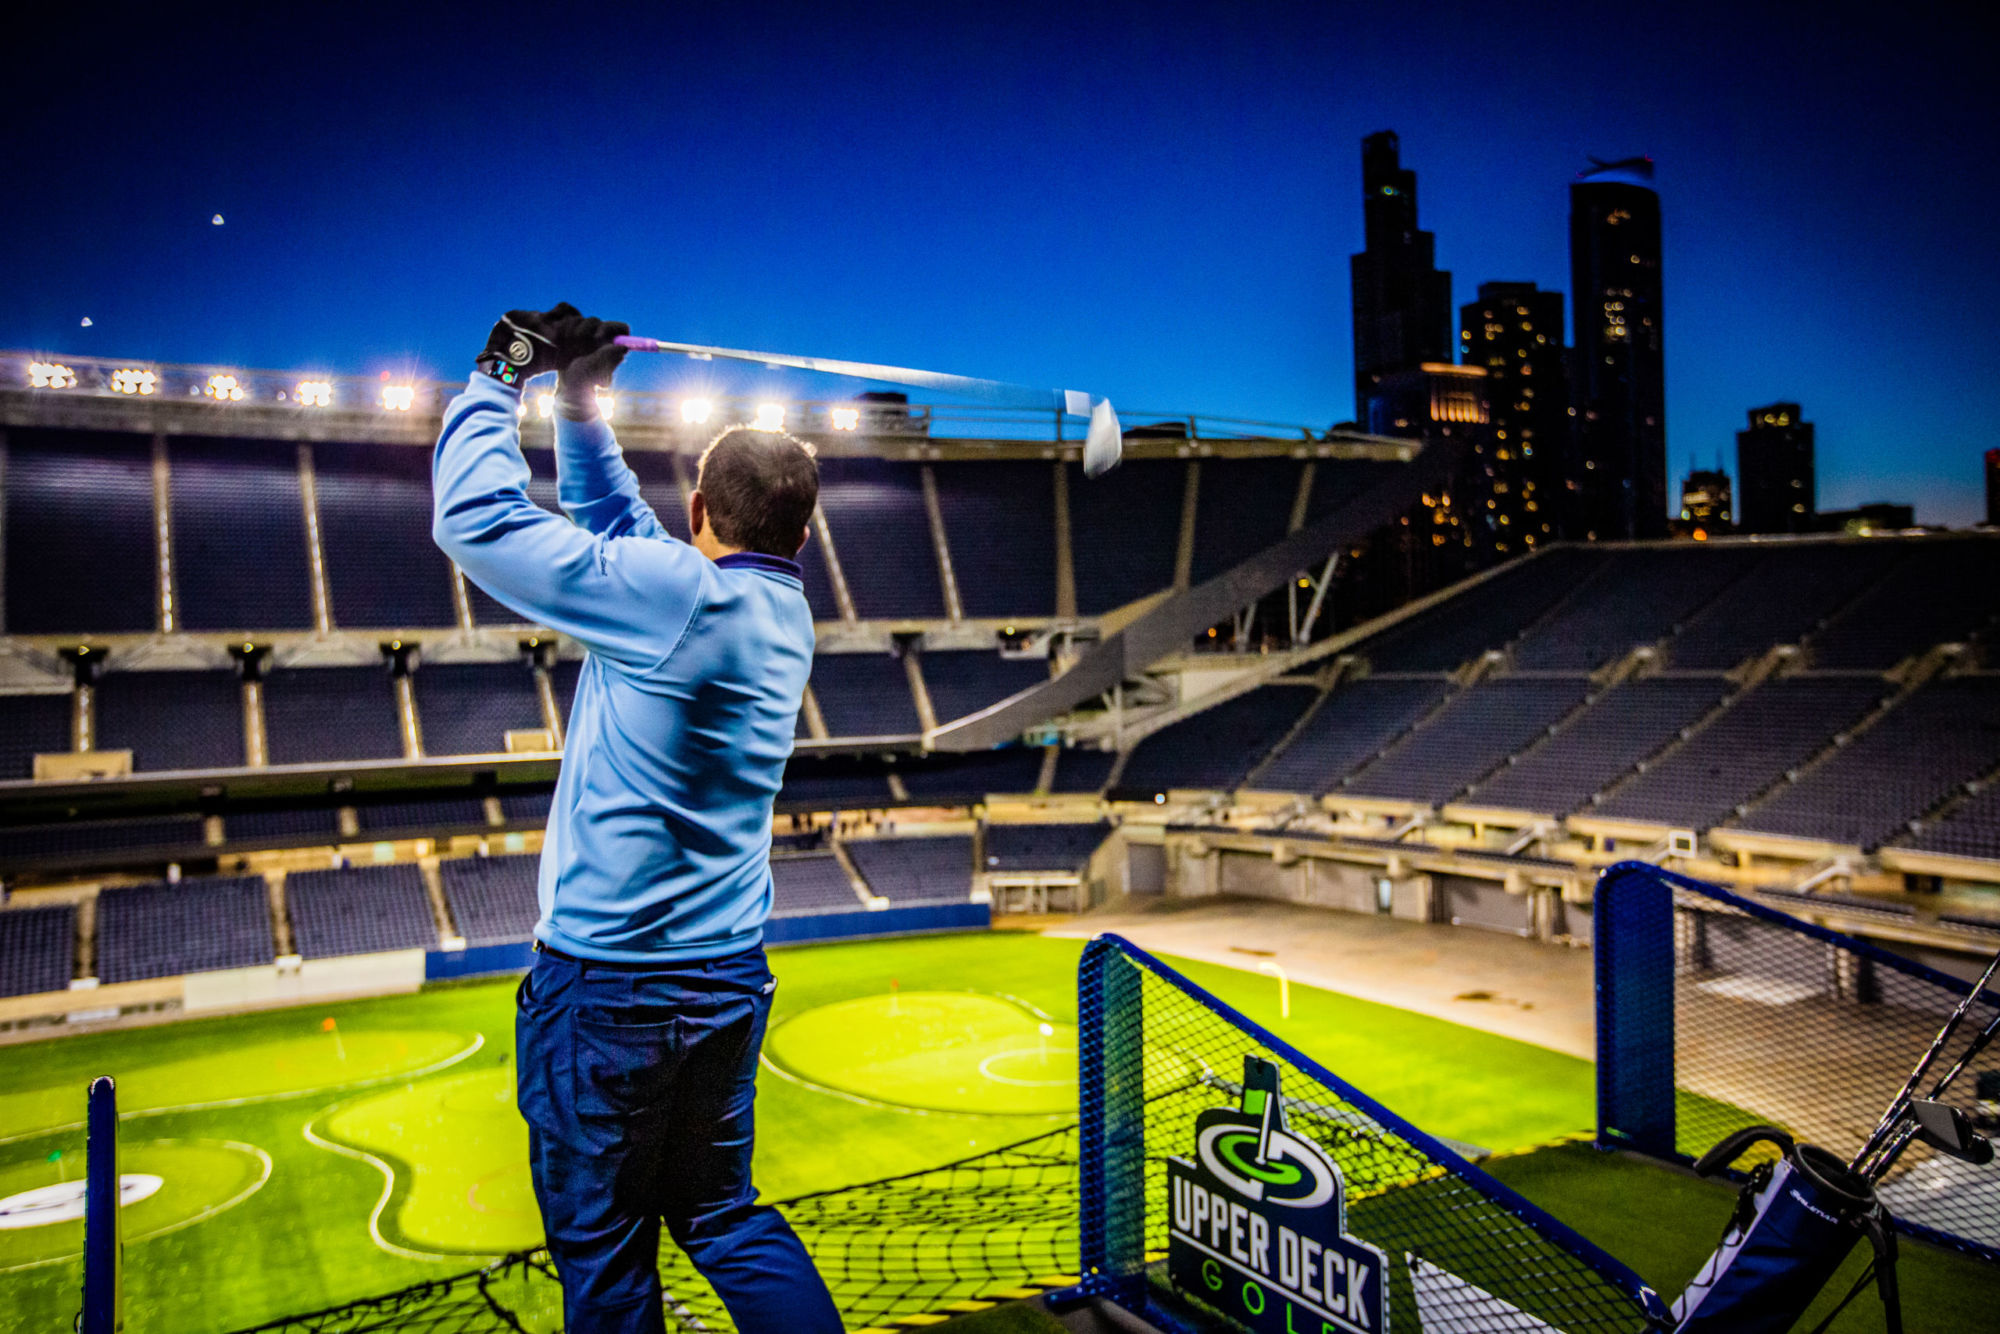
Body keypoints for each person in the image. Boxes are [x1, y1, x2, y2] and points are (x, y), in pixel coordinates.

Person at [432, 304, 840, 1334]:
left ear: (696, 505)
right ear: (800, 528)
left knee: (607, 1258)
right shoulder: (776, 610)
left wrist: (502, 373)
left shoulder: (676, 598)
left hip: (610, 991)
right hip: (724, 975)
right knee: (723, 1214)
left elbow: (472, 522)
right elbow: (621, 532)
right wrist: (579, 404)